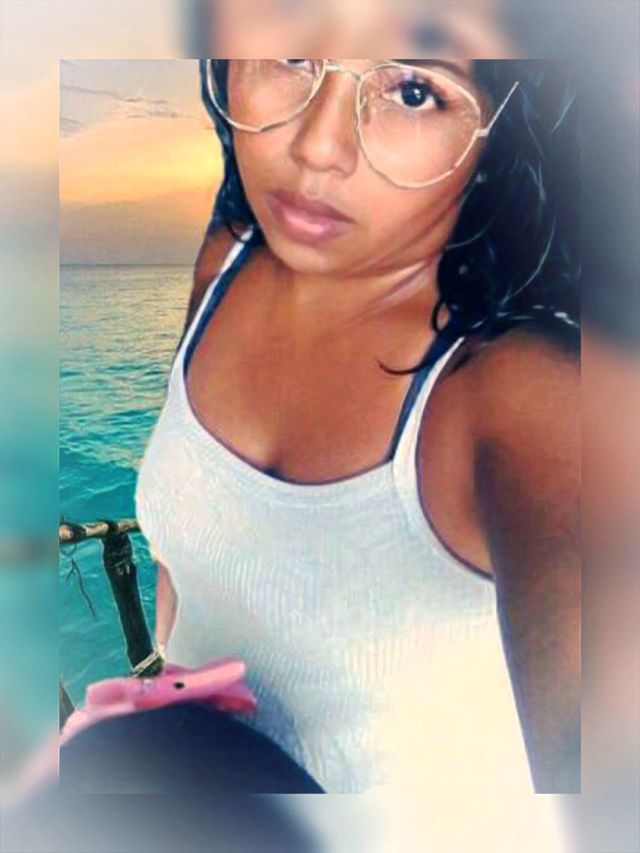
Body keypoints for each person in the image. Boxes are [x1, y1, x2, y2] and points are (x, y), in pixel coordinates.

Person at [136, 58, 580, 800]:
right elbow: (185, 567)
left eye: (414, 91)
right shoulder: (230, 255)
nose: (316, 145)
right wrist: (149, 721)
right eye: (292, 53)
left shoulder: (524, 394)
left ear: (503, 129)